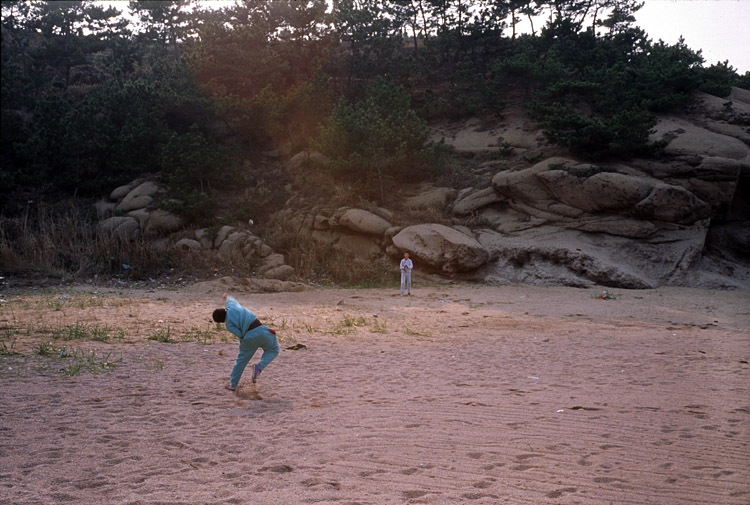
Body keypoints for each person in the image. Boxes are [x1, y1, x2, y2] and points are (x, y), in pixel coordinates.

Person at [212, 293, 279, 391]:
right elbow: (231, 299)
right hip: (261, 329)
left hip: (248, 337)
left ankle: (233, 384)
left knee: (241, 361)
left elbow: (240, 334)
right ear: (223, 309)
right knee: (273, 350)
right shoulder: (232, 306)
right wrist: (226, 297)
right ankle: (259, 367)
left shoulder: (229, 325)